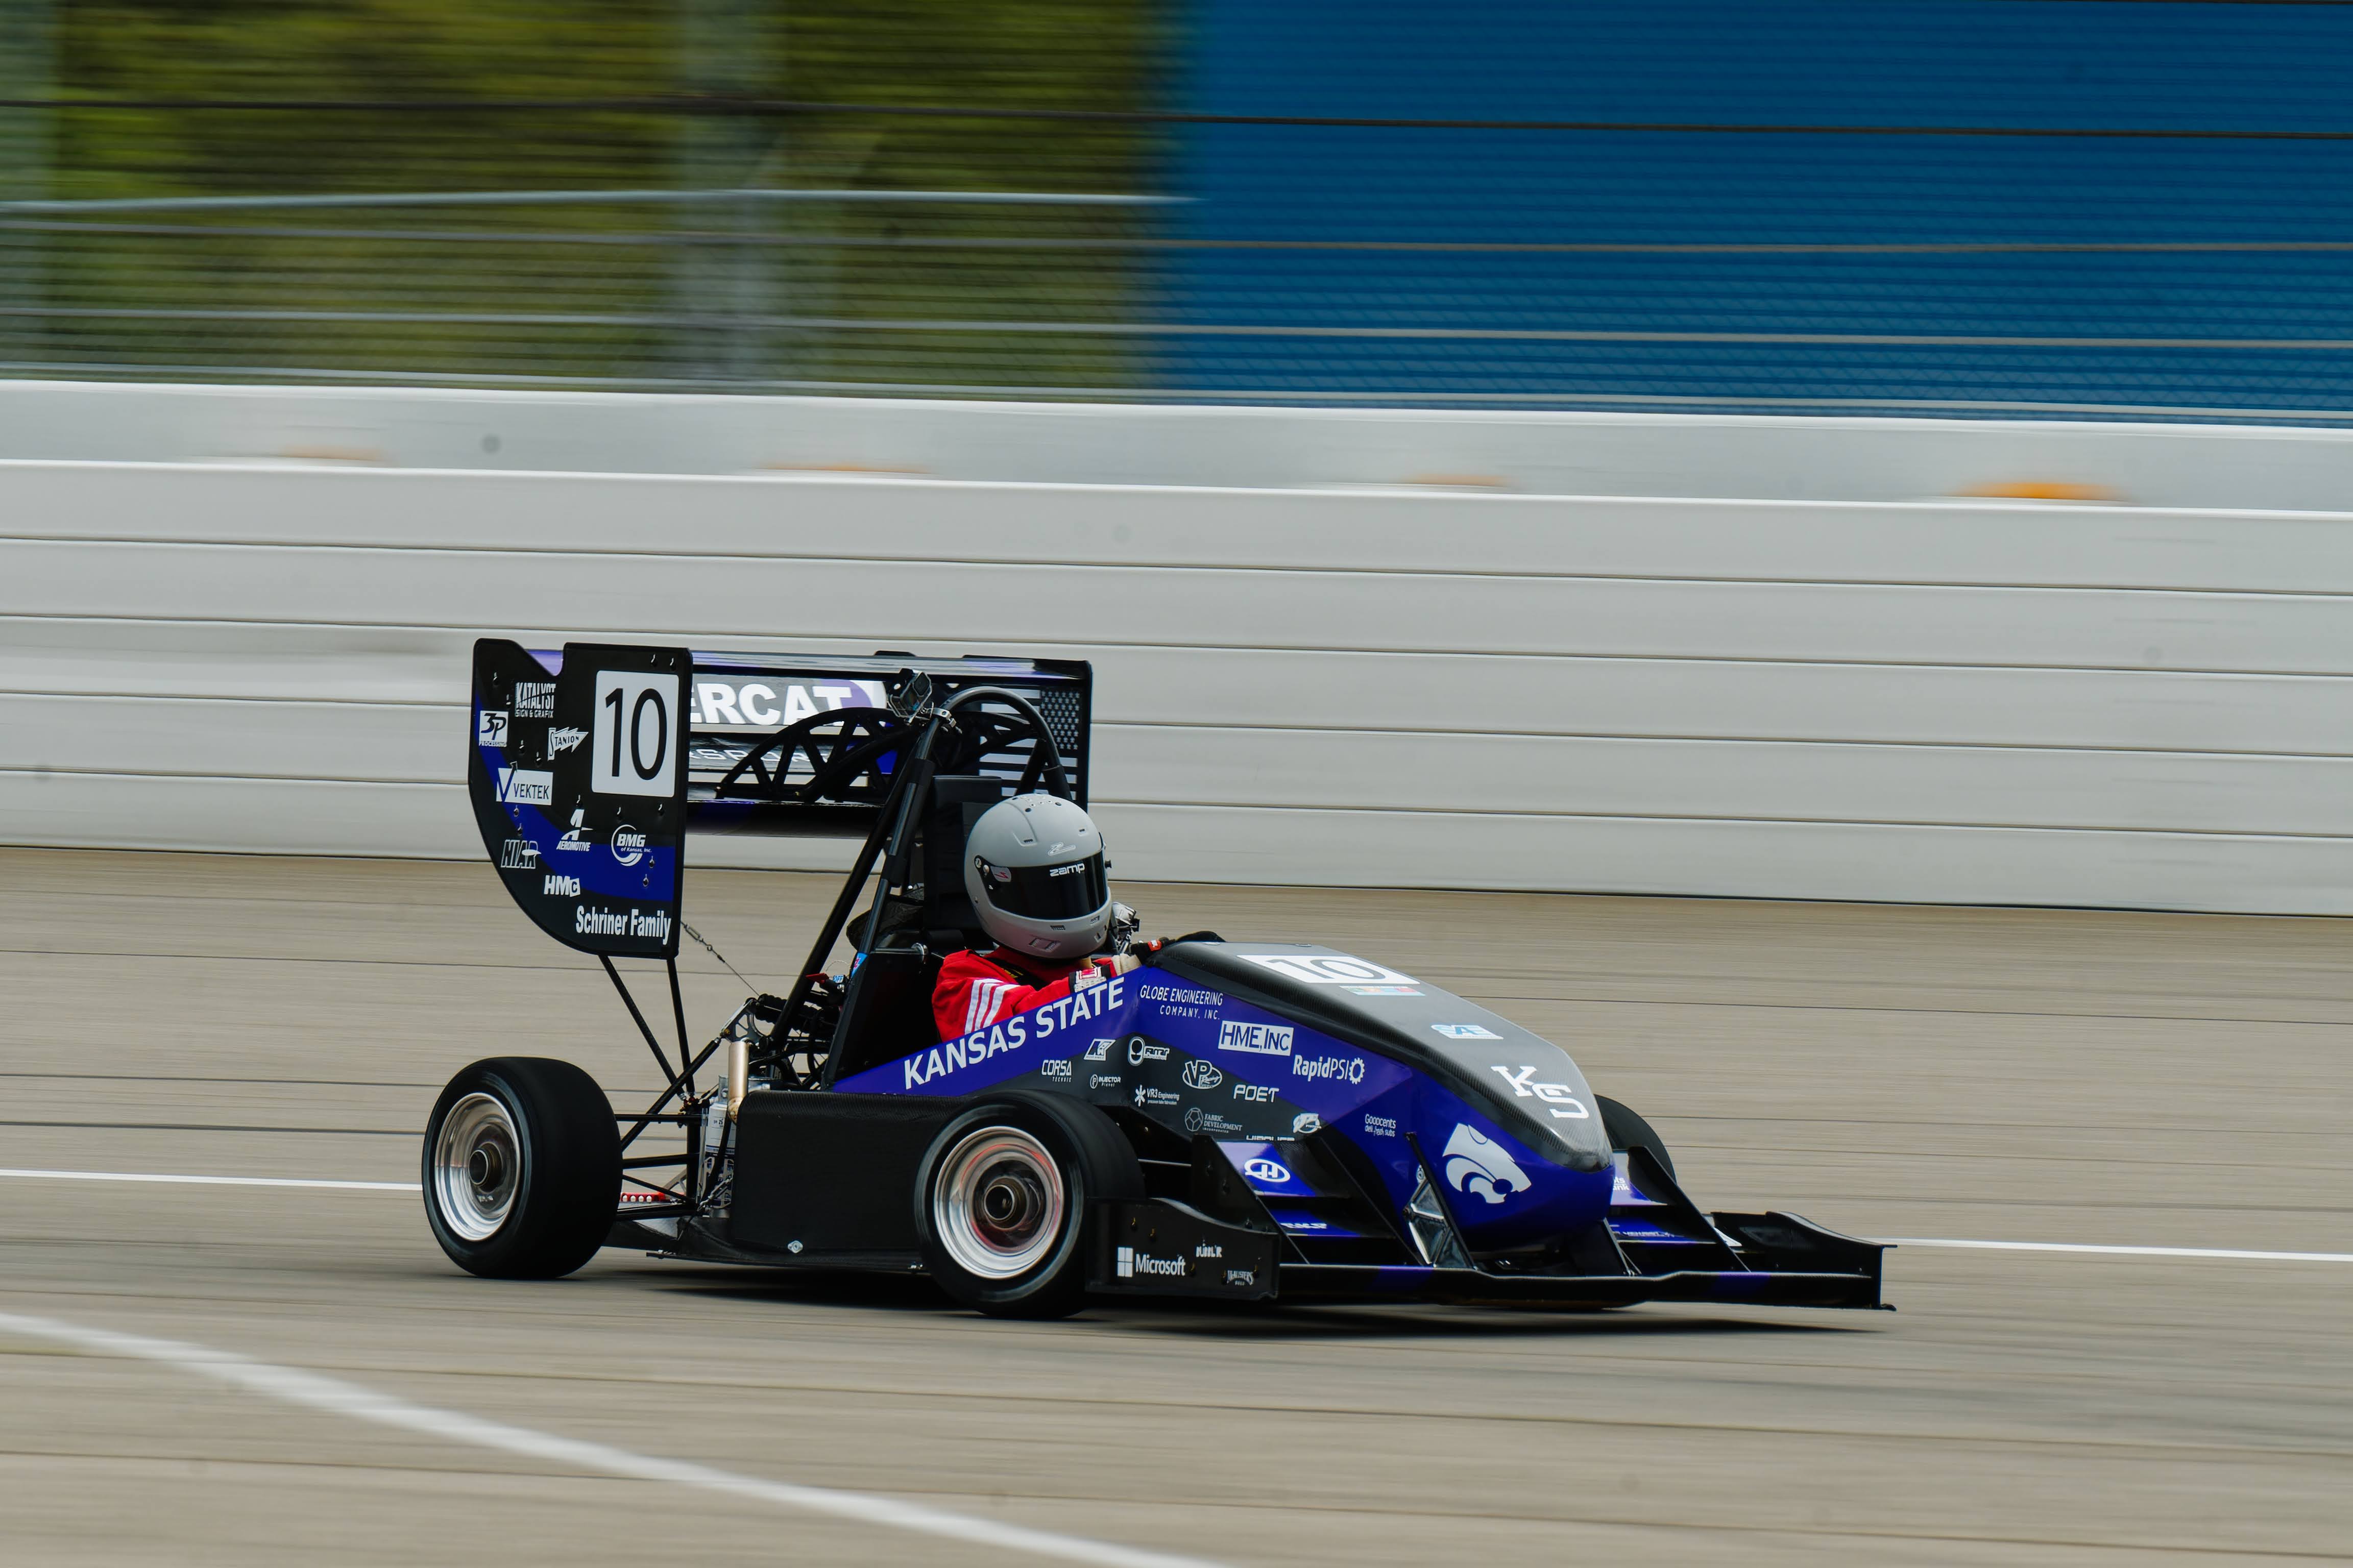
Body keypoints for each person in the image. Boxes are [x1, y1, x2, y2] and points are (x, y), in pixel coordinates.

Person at [932, 793, 1142, 1040]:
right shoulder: (966, 980)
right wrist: (1119, 976)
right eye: (1048, 895)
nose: (1070, 907)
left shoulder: (1115, 970)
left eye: (1079, 887)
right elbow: (1012, 1033)